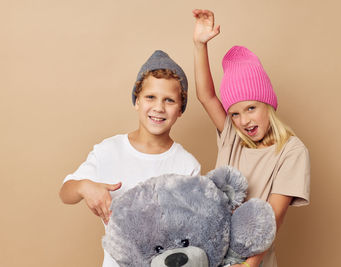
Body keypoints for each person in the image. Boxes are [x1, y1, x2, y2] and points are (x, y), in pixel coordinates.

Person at [59, 50, 201, 267]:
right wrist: (85, 187)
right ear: (137, 101)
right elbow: (65, 193)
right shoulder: (109, 150)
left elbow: (193, 234)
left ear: (180, 109)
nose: (159, 107)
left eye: (169, 100)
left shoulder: (187, 165)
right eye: (150, 97)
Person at [192, 9, 310, 267]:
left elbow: (274, 217)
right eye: (234, 113)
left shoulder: (291, 151)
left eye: (251, 108)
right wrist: (200, 45)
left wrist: (250, 264)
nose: (244, 120)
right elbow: (206, 96)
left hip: (254, 262)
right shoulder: (232, 137)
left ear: (268, 104)